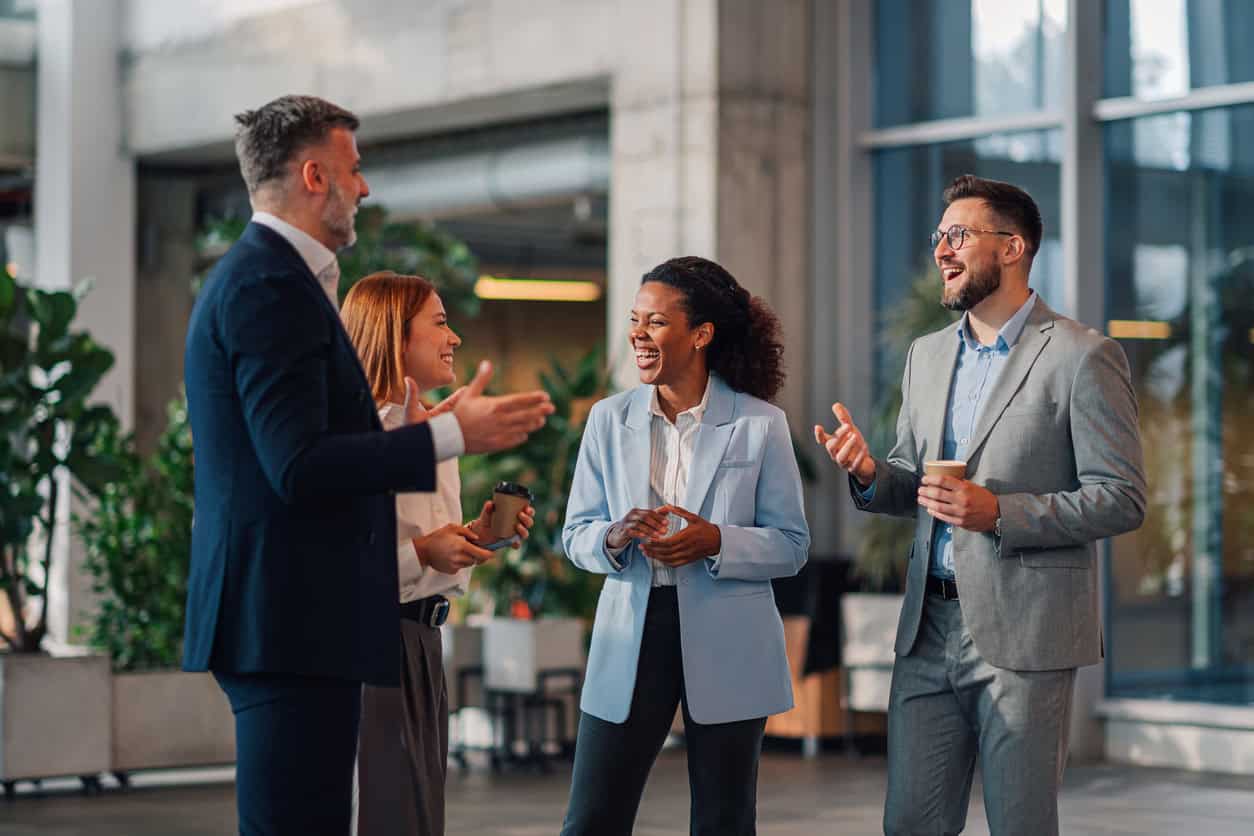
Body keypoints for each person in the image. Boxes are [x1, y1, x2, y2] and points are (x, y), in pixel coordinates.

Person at [182, 95, 554, 836]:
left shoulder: (280, 281)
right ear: (314, 175)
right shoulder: (268, 286)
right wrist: (449, 437)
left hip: (293, 617)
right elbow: (298, 464)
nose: (366, 187)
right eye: (355, 170)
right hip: (284, 619)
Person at [815, 175, 1146, 836]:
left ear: (1014, 246)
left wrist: (998, 512)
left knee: (1020, 825)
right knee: (910, 823)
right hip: (927, 627)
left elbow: (1121, 498)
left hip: (1026, 633)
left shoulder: (1082, 357)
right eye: (939, 236)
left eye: (959, 234)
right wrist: (870, 473)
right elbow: (915, 480)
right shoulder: (928, 356)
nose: (942, 248)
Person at [560, 256, 810, 836]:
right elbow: (576, 534)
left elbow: (792, 545)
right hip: (632, 632)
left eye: (655, 322)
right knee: (592, 818)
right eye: (634, 319)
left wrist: (716, 540)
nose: (638, 335)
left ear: (700, 335)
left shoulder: (761, 424)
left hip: (730, 635)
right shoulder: (607, 420)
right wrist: (615, 536)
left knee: (724, 821)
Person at [340, 271, 536, 836]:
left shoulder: (434, 433)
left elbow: (425, 546)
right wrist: (425, 552)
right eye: (441, 323)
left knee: (420, 816)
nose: (454, 339)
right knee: (384, 814)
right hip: (375, 642)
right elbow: (346, 562)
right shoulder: (364, 437)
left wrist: (472, 533)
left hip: (424, 644)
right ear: (395, 335)